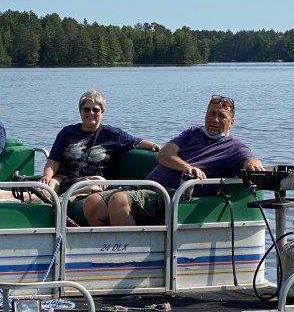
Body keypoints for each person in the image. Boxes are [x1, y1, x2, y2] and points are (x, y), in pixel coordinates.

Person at [88, 94, 265, 226]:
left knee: (119, 201)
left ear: (231, 122)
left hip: (174, 196)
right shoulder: (193, 132)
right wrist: (186, 167)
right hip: (150, 187)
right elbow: (164, 155)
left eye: (221, 116)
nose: (214, 120)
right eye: (211, 114)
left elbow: (249, 160)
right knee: (92, 203)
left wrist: (252, 163)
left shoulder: (235, 147)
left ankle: (131, 261)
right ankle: (107, 256)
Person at [39, 89, 161, 196]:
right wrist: (47, 177)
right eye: (86, 109)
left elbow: (137, 142)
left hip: (91, 180)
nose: (90, 113)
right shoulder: (67, 132)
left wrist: (155, 146)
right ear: (80, 111)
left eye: (95, 110)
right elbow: (53, 161)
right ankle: (24, 200)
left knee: (97, 183)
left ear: (102, 112)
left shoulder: (113, 134)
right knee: (44, 190)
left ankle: (62, 201)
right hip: (63, 179)